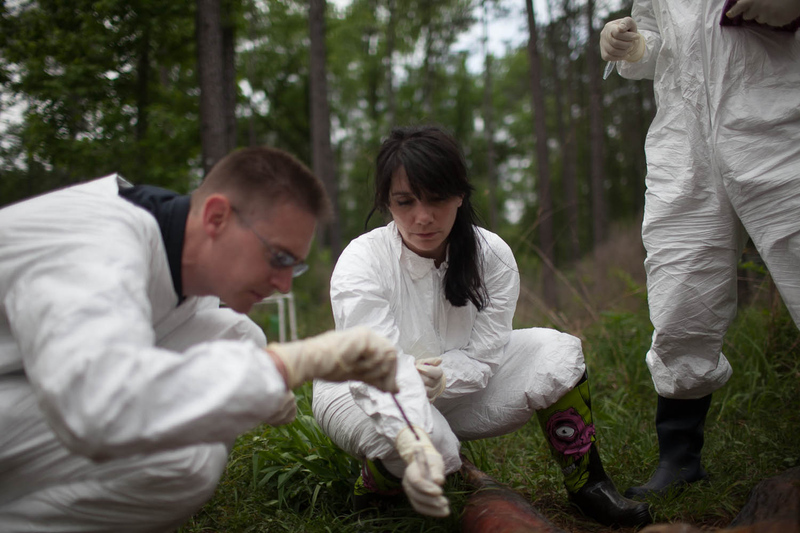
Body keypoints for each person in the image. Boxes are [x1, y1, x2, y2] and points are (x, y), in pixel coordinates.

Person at [0, 146, 399, 533]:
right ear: (216, 217)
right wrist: (281, 366)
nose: (281, 284)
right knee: (187, 458)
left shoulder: (179, 269)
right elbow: (95, 404)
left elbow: (225, 340)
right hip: (71, 403)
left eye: (293, 266)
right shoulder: (100, 242)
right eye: (278, 257)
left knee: (239, 336)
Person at [311, 125, 652, 527]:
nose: (422, 217)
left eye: (436, 198)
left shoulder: (493, 256)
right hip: (359, 394)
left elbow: (485, 357)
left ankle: (588, 484)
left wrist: (438, 380)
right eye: (405, 201)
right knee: (424, 442)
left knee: (557, 352)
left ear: (459, 195)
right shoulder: (362, 261)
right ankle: (373, 492)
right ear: (387, 202)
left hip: (459, 383)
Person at [599, 0, 800, 500]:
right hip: (683, 136)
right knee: (680, 287)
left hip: (777, 119)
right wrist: (630, 44)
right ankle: (680, 457)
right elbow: (655, 44)